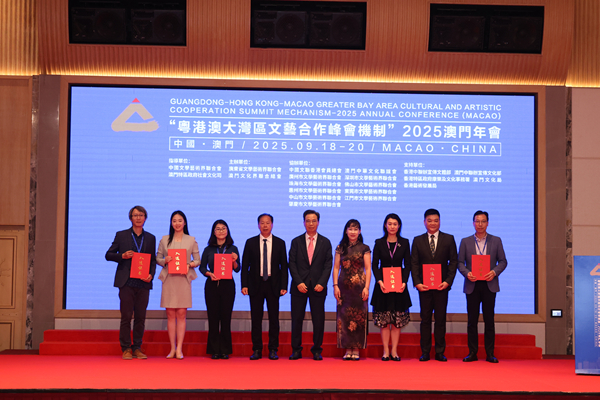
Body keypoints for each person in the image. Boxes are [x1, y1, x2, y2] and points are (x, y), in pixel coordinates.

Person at [105, 205, 157, 360]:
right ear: (130, 218)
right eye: (135, 215)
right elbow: (108, 255)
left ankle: (137, 347)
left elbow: (152, 261)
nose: (138, 218)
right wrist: (122, 256)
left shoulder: (151, 238)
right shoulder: (121, 235)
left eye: (141, 215)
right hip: (126, 282)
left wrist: (151, 275)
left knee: (140, 317)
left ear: (145, 218)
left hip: (143, 283)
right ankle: (126, 348)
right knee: (126, 317)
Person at [458, 210, 508, 363]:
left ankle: (490, 353)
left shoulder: (496, 240)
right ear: (473, 223)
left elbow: (503, 261)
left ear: (488, 223)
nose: (480, 224)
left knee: (489, 320)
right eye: (477, 221)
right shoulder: (465, 241)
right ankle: (472, 352)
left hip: (489, 284)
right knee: (472, 321)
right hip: (472, 284)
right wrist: (467, 273)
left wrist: (494, 272)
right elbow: (459, 263)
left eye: (483, 221)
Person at [411, 208, 458, 362]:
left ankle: (439, 352)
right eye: (429, 220)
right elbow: (414, 263)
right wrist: (417, 283)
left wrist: (448, 281)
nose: (433, 223)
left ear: (440, 221)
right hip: (424, 287)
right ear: (424, 222)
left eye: (436, 220)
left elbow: (453, 262)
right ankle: (425, 351)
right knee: (425, 319)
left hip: (441, 287)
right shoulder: (417, 240)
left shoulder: (449, 239)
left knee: (440, 319)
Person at [241, 213, 289, 360]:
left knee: (274, 318)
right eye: (262, 223)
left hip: (273, 285)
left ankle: (273, 349)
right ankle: (257, 349)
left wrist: (284, 285)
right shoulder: (250, 242)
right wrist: (244, 285)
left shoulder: (280, 243)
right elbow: (245, 266)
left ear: (272, 225)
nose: (265, 225)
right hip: (255, 285)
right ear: (258, 225)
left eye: (268, 223)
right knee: (256, 319)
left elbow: (284, 267)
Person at [288, 210, 333, 361]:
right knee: (296, 319)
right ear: (304, 223)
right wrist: (299, 282)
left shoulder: (325, 242)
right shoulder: (296, 241)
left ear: (318, 222)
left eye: (314, 221)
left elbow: (328, 265)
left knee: (318, 320)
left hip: (318, 287)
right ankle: (296, 350)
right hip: (299, 286)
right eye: (308, 221)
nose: (311, 223)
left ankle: (317, 350)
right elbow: (291, 264)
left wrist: (322, 283)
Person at [156, 210, 200, 360]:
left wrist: (189, 264)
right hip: (169, 279)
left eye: (180, 220)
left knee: (181, 314)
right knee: (170, 314)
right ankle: (172, 348)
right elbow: (158, 258)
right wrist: (164, 260)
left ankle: (179, 348)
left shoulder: (191, 240)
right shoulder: (164, 240)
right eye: (174, 221)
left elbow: (198, 260)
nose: (177, 223)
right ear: (171, 223)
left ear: (185, 222)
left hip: (183, 279)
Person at [371, 213, 412, 361]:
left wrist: (404, 282)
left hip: (399, 286)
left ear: (399, 226)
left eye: (395, 224)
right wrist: (380, 281)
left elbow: (408, 265)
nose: (392, 226)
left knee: (396, 322)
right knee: (384, 322)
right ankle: (386, 351)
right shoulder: (379, 243)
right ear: (385, 225)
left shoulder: (405, 243)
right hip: (383, 287)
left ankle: (394, 351)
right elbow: (374, 265)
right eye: (390, 224)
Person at [199, 219, 240, 359]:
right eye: (218, 229)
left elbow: (238, 269)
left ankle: (225, 350)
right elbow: (202, 267)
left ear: (227, 231)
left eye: (223, 228)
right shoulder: (208, 249)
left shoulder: (233, 248)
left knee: (226, 318)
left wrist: (234, 261)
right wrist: (209, 274)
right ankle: (214, 350)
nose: (221, 231)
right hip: (212, 285)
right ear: (214, 232)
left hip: (228, 286)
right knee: (213, 318)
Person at [332, 219, 371, 361]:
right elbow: (336, 268)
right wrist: (335, 286)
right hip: (344, 289)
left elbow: (368, 269)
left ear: (359, 231)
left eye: (355, 229)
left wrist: (366, 287)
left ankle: (357, 350)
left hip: (359, 289)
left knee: (358, 318)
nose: (353, 232)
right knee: (345, 318)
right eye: (350, 229)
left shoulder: (364, 248)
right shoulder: (340, 247)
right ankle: (348, 349)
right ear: (346, 231)